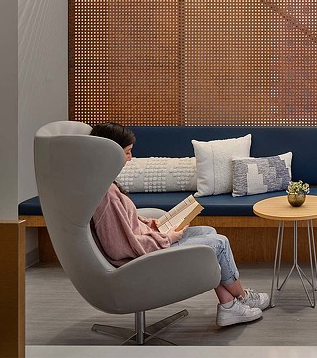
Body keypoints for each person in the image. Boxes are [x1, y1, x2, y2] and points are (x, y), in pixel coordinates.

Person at [89, 121, 269, 327]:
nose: (131, 159)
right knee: (219, 243)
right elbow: (121, 246)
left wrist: (151, 224)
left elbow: (124, 224)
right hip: (138, 260)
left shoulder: (102, 184)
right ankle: (241, 298)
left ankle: (228, 304)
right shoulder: (108, 194)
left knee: (207, 231)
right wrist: (168, 237)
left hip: (145, 245)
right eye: (128, 152)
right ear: (109, 152)